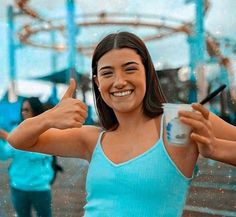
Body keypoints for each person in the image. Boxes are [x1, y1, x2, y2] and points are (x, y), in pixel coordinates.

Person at [7, 32, 236, 217]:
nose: (119, 81)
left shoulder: (181, 121)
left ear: (147, 72)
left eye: (130, 69)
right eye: (107, 73)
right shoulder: (92, 139)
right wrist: (50, 117)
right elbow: (17, 139)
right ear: (97, 82)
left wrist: (216, 148)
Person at [0, 97, 54, 217]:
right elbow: (4, 155)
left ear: (35, 110)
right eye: (22, 110)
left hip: (40, 187)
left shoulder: (47, 131)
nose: (23, 113)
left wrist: (8, 137)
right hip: (18, 186)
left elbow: (39, 152)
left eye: (27, 110)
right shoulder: (16, 130)